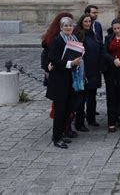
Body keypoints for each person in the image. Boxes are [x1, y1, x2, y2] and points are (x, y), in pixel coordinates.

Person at [46, 17, 83, 149]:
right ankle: (56, 138)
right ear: (61, 27)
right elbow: (53, 59)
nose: (68, 27)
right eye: (65, 26)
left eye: (70, 25)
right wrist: (70, 63)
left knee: (68, 110)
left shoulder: (74, 39)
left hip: (71, 80)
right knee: (60, 111)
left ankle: (62, 133)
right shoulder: (58, 40)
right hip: (59, 81)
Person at [75, 14, 103, 129]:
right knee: (81, 99)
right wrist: (83, 73)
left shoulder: (94, 35)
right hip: (84, 71)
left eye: (89, 21)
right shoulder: (79, 36)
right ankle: (79, 123)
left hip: (94, 70)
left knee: (92, 97)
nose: (88, 23)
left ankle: (91, 119)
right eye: (85, 21)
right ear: (81, 22)